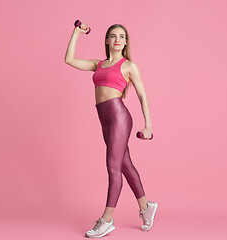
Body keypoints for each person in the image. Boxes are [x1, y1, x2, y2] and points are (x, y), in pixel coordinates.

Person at [65, 21, 158, 238]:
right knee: (125, 165)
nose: (118, 40)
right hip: (104, 118)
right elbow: (69, 59)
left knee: (113, 168)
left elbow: (143, 96)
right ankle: (146, 206)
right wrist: (76, 32)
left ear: (126, 42)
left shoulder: (129, 66)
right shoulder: (98, 64)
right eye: (114, 36)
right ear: (107, 40)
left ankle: (106, 220)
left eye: (122, 37)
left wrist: (148, 126)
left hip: (119, 117)